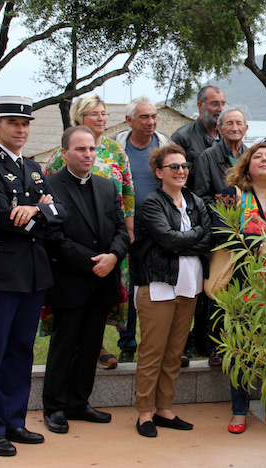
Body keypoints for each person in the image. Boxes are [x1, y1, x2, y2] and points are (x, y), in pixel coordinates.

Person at [0, 96, 66, 457]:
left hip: (33, 273)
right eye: (13, 123)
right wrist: (39, 213)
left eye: (25, 124)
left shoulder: (33, 166)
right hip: (2, 272)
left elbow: (60, 212)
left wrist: (35, 211)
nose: (21, 130)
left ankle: (14, 420)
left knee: (21, 350)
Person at [42, 126, 129, 434]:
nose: (88, 155)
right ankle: (54, 407)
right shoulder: (51, 186)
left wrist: (114, 257)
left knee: (92, 345)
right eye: (80, 149)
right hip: (71, 281)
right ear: (65, 153)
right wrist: (93, 263)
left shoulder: (107, 187)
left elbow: (121, 228)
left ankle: (78, 403)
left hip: (102, 280)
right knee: (64, 346)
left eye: (91, 149)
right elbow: (53, 237)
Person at [211, 143, 266, 438]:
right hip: (242, 283)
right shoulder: (232, 196)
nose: (264, 161)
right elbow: (220, 232)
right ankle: (239, 409)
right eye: (257, 156)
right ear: (246, 164)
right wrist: (255, 244)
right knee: (241, 350)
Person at [44, 93, 135, 367]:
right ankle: (58, 403)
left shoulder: (115, 150)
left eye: (104, 113)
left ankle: (94, 359)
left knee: (100, 311)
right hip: (74, 254)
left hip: (111, 243)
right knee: (69, 332)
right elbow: (51, 208)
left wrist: (125, 238)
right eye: (94, 113)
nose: (101, 118)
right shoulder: (62, 155)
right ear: (79, 117)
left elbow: (128, 190)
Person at [133, 145, 212, 437]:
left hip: (190, 286)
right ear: (158, 172)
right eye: (173, 167)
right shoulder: (152, 203)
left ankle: (164, 408)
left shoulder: (194, 201)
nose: (181, 171)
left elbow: (209, 238)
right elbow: (167, 240)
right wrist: (190, 238)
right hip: (160, 286)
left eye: (184, 166)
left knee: (174, 353)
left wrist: (183, 240)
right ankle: (145, 413)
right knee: (152, 352)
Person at [187, 106, 249, 365]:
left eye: (239, 123)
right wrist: (225, 209)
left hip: (250, 234)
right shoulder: (207, 157)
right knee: (218, 290)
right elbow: (199, 196)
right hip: (220, 235)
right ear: (220, 128)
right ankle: (217, 347)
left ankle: (245, 345)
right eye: (229, 123)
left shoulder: (251, 155)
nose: (235, 127)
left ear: (246, 129)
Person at [114, 97, 173, 365]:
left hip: (157, 228)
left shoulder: (165, 145)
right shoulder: (116, 147)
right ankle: (127, 343)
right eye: (144, 117)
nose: (150, 122)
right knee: (127, 284)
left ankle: (155, 344)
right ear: (129, 121)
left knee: (153, 286)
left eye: (153, 117)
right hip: (124, 226)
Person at [171, 85, 226, 163]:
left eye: (223, 104)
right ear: (200, 106)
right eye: (215, 104)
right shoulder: (182, 138)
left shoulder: (226, 136)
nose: (221, 109)